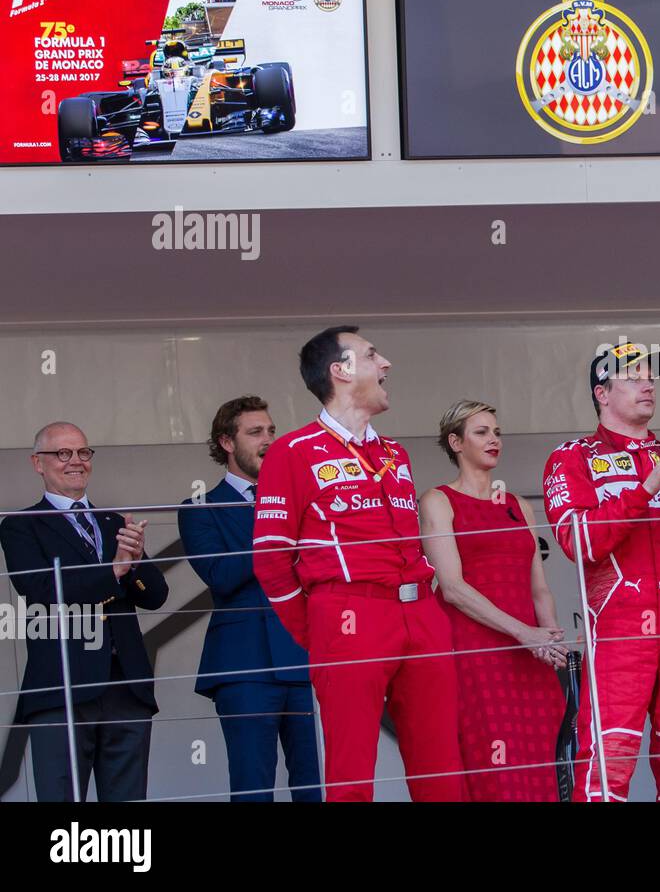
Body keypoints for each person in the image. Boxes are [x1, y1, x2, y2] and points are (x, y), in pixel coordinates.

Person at [252, 326, 464, 802]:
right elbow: (269, 559)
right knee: (350, 773)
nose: (385, 363)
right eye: (371, 355)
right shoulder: (293, 451)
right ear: (340, 371)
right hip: (348, 615)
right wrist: (318, 631)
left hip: (422, 612)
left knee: (443, 768)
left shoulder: (395, 453)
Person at [542, 341, 660, 802]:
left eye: (650, 376)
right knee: (606, 768)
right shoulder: (573, 457)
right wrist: (641, 492)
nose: (647, 384)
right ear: (601, 393)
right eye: (632, 377)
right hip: (618, 636)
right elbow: (579, 543)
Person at [0, 422, 167, 801]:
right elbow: (41, 590)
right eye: (62, 453)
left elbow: (156, 596)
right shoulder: (21, 526)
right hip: (61, 689)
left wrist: (136, 561)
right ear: (37, 464)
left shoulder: (114, 522)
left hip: (126, 687)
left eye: (82, 452)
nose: (75, 461)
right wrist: (114, 571)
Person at [420, 399, 567, 802]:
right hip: (475, 653)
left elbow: (539, 587)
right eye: (481, 432)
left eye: (497, 432)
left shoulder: (519, 505)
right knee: (491, 768)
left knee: (541, 767)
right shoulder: (438, 500)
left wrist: (550, 638)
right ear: (455, 442)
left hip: (531, 655)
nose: (494, 440)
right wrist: (525, 633)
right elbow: (451, 587)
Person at [179, 395, 322, 802]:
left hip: (299, 657)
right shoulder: (200, 507)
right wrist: (274, 524)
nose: (269, 440)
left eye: (272, 431)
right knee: (252, 787)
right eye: (255, 432)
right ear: (227, 442)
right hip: (243, 665)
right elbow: (220, 577)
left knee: (312, 784)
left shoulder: (299, 501)